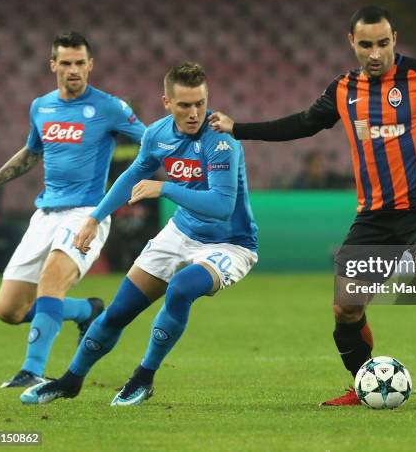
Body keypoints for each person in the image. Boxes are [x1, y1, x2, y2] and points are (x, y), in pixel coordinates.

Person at [209, 6, 416, 405]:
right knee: (346, 307)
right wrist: (239, 128)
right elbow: (302, 123)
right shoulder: (342, 90)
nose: (375, 53)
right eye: (366, 44)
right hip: (375, 217)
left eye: (383, 44)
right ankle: (363, 382)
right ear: (351, 43)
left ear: (394, 40)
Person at [20, 62, 258, 406]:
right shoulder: (158, 135)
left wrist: (165, 188)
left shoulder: (221, 141)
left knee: (181, 288)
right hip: (181, 231)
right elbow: (132, 176)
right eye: (184, 105)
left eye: (200, 104)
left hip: (230, 243)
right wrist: (94, 217)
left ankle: (143, 377)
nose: (194, 113)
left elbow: (221, 206)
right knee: (117, 312)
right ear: (166, 103)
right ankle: (70, 380)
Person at [0, 32, 146, 388]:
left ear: (90, 65)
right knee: (9, 310)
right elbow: (31, 153)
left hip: (87, 213)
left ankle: (32, 369)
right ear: (53, 65)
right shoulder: (41, 106)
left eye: (80, 63)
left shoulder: (110, 107)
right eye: (66, 63)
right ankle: (88, 310)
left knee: (51, 280)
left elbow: (151, 142)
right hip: (45, 215)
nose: (73, 70)